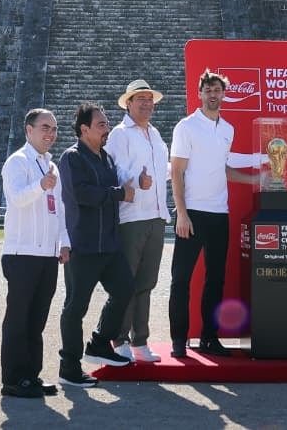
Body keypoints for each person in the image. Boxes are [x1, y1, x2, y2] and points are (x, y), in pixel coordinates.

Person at [168, 69, 265, 358]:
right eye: (208, 90)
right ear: (200, 94)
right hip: (192, 214)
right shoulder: (186, 127)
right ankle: (178, 340)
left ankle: (210, 338)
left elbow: (221, 168)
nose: (213, 94)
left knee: (216, 279)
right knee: (181, 278)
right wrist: (182, 214)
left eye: (217, 90)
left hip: (219, 214)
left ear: (224, 94)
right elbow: (176, 170)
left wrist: (253, 180)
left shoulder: (227, 129)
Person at [56, 102, 138, 388]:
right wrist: (119, 194)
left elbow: (119, 186)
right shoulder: (71, 158)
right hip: (84, 246)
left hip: (109, 246)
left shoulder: (106, 157)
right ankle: (69, 367)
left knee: (126, 288)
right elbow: (82, 194)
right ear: (84, 129)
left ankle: (100, 343)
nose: (106, 129)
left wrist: (134, 183)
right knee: (75, 307)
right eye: (101, 124)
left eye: (106, 124)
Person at [0, 108, 69, 398]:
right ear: (28, 130)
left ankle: (32, 374)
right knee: (18, 317)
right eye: (44, 128)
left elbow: (60, 209)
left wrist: (64, 242)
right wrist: (40, 186)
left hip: (47, 255)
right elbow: (16, 198)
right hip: (22, 253)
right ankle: (14, 379)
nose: (50, 134)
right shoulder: (17, 162)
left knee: (37, 319)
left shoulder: (52, 166)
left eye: (53, 129)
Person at [104, 78, 169, 363]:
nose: (146, 103)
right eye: (139, 98)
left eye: (149, 98)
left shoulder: (155, 134)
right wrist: (136, 181)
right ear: (128, 103)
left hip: (156, 216)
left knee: (147, 282)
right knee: (127, 282)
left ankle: (140, 340)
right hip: (132, 217)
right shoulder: (119, 134)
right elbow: (114, 171)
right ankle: (119, 338)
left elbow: (162, 171)